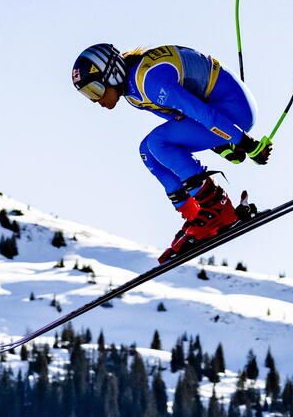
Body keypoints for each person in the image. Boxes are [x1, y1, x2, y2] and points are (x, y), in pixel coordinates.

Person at [71, 43, 272, 263]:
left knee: (158, 143)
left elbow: (199, 111)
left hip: (234, 109)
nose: (95, 101)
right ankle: (197, 215)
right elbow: (180, 118)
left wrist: (245, 142)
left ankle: (216, 208)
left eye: (95, 90)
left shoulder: (148, 81)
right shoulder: (133, 94)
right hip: (219, 111)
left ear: (112, 73)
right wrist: (222, 144)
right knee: (147, 150)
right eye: (87, 95)